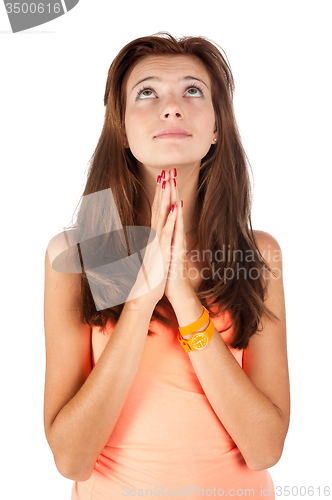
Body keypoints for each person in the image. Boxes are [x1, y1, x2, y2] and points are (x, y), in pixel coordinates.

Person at [43, 32, 290, 499]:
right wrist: (140, 301)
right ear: (122, 130)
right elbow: (72, 459)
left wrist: (182, 297)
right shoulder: (73, 258)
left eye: (193, 90)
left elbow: (264, 449)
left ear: (217, 128)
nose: (171, 107)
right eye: (147, 92)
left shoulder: (258, 257)